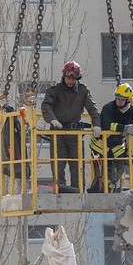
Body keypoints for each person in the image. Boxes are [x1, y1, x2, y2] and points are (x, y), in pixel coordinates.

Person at [41, 61, 101, 192]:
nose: (70, 80)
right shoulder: (54, 91)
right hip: (58, 132)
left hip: (75, 134)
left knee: (77, 164)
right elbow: (46, 106)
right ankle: (60, 189)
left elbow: (93, 109)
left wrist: (97, 125)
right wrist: (52, 120)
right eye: (68, 76)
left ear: (77, 78)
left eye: (74, 78)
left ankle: (77, 190)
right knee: (58, 163)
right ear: (64, 75)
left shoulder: (83, 91)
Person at [89, 83, 133, 192]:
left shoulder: (132, 111)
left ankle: (110, 188)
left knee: (121, 166)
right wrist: (124, 128)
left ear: (128, 100)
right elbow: (106, 125)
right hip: (101, 146)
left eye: (122, 99)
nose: (119, 101)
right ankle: (98, 189)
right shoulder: (108, 108)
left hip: (117, 146)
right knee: (102, 173)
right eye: (117, 98)